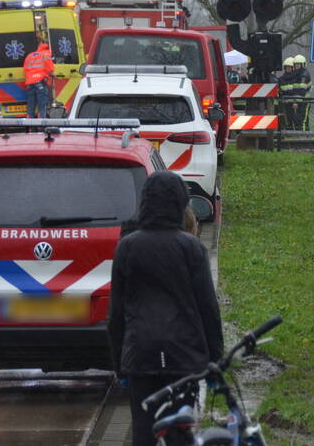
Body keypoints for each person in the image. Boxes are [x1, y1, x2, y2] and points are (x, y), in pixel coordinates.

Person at [108, 171, 223, 446]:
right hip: (183, 355)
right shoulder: (192, 248)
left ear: (145, 202)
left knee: (143, 432)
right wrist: (215, 359)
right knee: (180, 433)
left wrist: (119, 365)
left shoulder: (127, 247)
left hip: (141, 356)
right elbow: (208, 308)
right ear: (180, 203)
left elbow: (116, 313)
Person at [23, 38, 55, 118]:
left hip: (30, 83)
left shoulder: (30, 56)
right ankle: (42, 126)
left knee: (31, 107)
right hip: (40, 83)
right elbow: (50, 67)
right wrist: (53, 74)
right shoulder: (46, 54)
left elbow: (25, 69)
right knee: (42, 106)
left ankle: (31, 126)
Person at [291, 54, 312, 130]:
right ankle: (300, 135)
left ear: (303, 64)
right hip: (298, 100)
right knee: (297, 120)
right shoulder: (296, 73)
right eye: (295, 64)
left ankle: (303, 137)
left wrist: (295, 101)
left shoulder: (304, 74)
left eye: (298, 64)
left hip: (304, 100)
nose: (296, 66)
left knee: (303, 120)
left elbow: (302, 90)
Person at [277, 57, 297, 129]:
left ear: (293, 68)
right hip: (284, 103)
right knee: (285, 120)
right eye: (286, 67)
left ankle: (296, 134)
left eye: (289, 67)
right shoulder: (281, 79)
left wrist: (295, 102)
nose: (288, 68)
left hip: (293, 103)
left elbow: (297, 91)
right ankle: (287, 134)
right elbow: (278, 90)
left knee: (295, 120)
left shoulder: (296, 78)